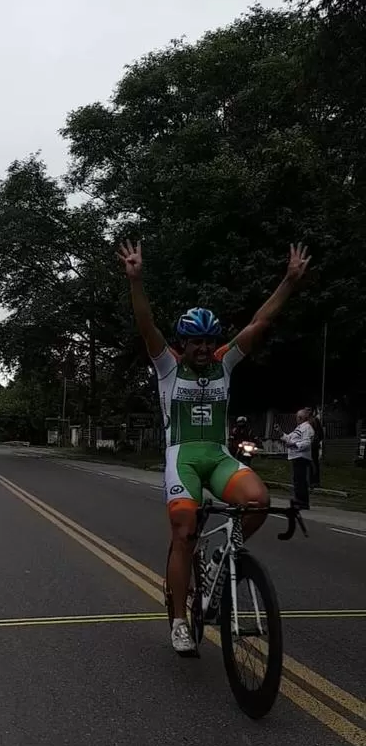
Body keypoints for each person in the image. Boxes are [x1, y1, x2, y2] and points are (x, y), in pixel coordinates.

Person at [119, 239, 311, 655]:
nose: (204, 348)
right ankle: (178, 622)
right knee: (185, 527)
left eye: (209, 340)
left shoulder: (225, 361)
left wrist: (289, 282)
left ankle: (222, 555)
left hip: (219, 457)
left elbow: (260, 322)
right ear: (183, 344)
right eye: (196, 342)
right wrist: (136, 281)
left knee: (259, 501)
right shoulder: (168, 366)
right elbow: (145, 324)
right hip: (182, 457)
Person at [280, 409, 315, 510]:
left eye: (298, 417)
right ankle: (299, 499)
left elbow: (307, 443)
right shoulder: (299, 428)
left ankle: (302, 502)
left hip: (301, 457)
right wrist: (280, 433)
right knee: (297, 480)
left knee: (300, 480)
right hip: (296, 456)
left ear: (302, 418)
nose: (296, 419)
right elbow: (289, 438)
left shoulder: (307, 427)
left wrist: (294, 444)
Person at [309, 408, 323, 487]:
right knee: (312, 464)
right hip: (310, 445)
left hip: (312, 446)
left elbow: (320, 434)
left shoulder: (314, 421)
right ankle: (313, 481)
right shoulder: (307, 421)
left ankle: (314, 482)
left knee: (313, 463)